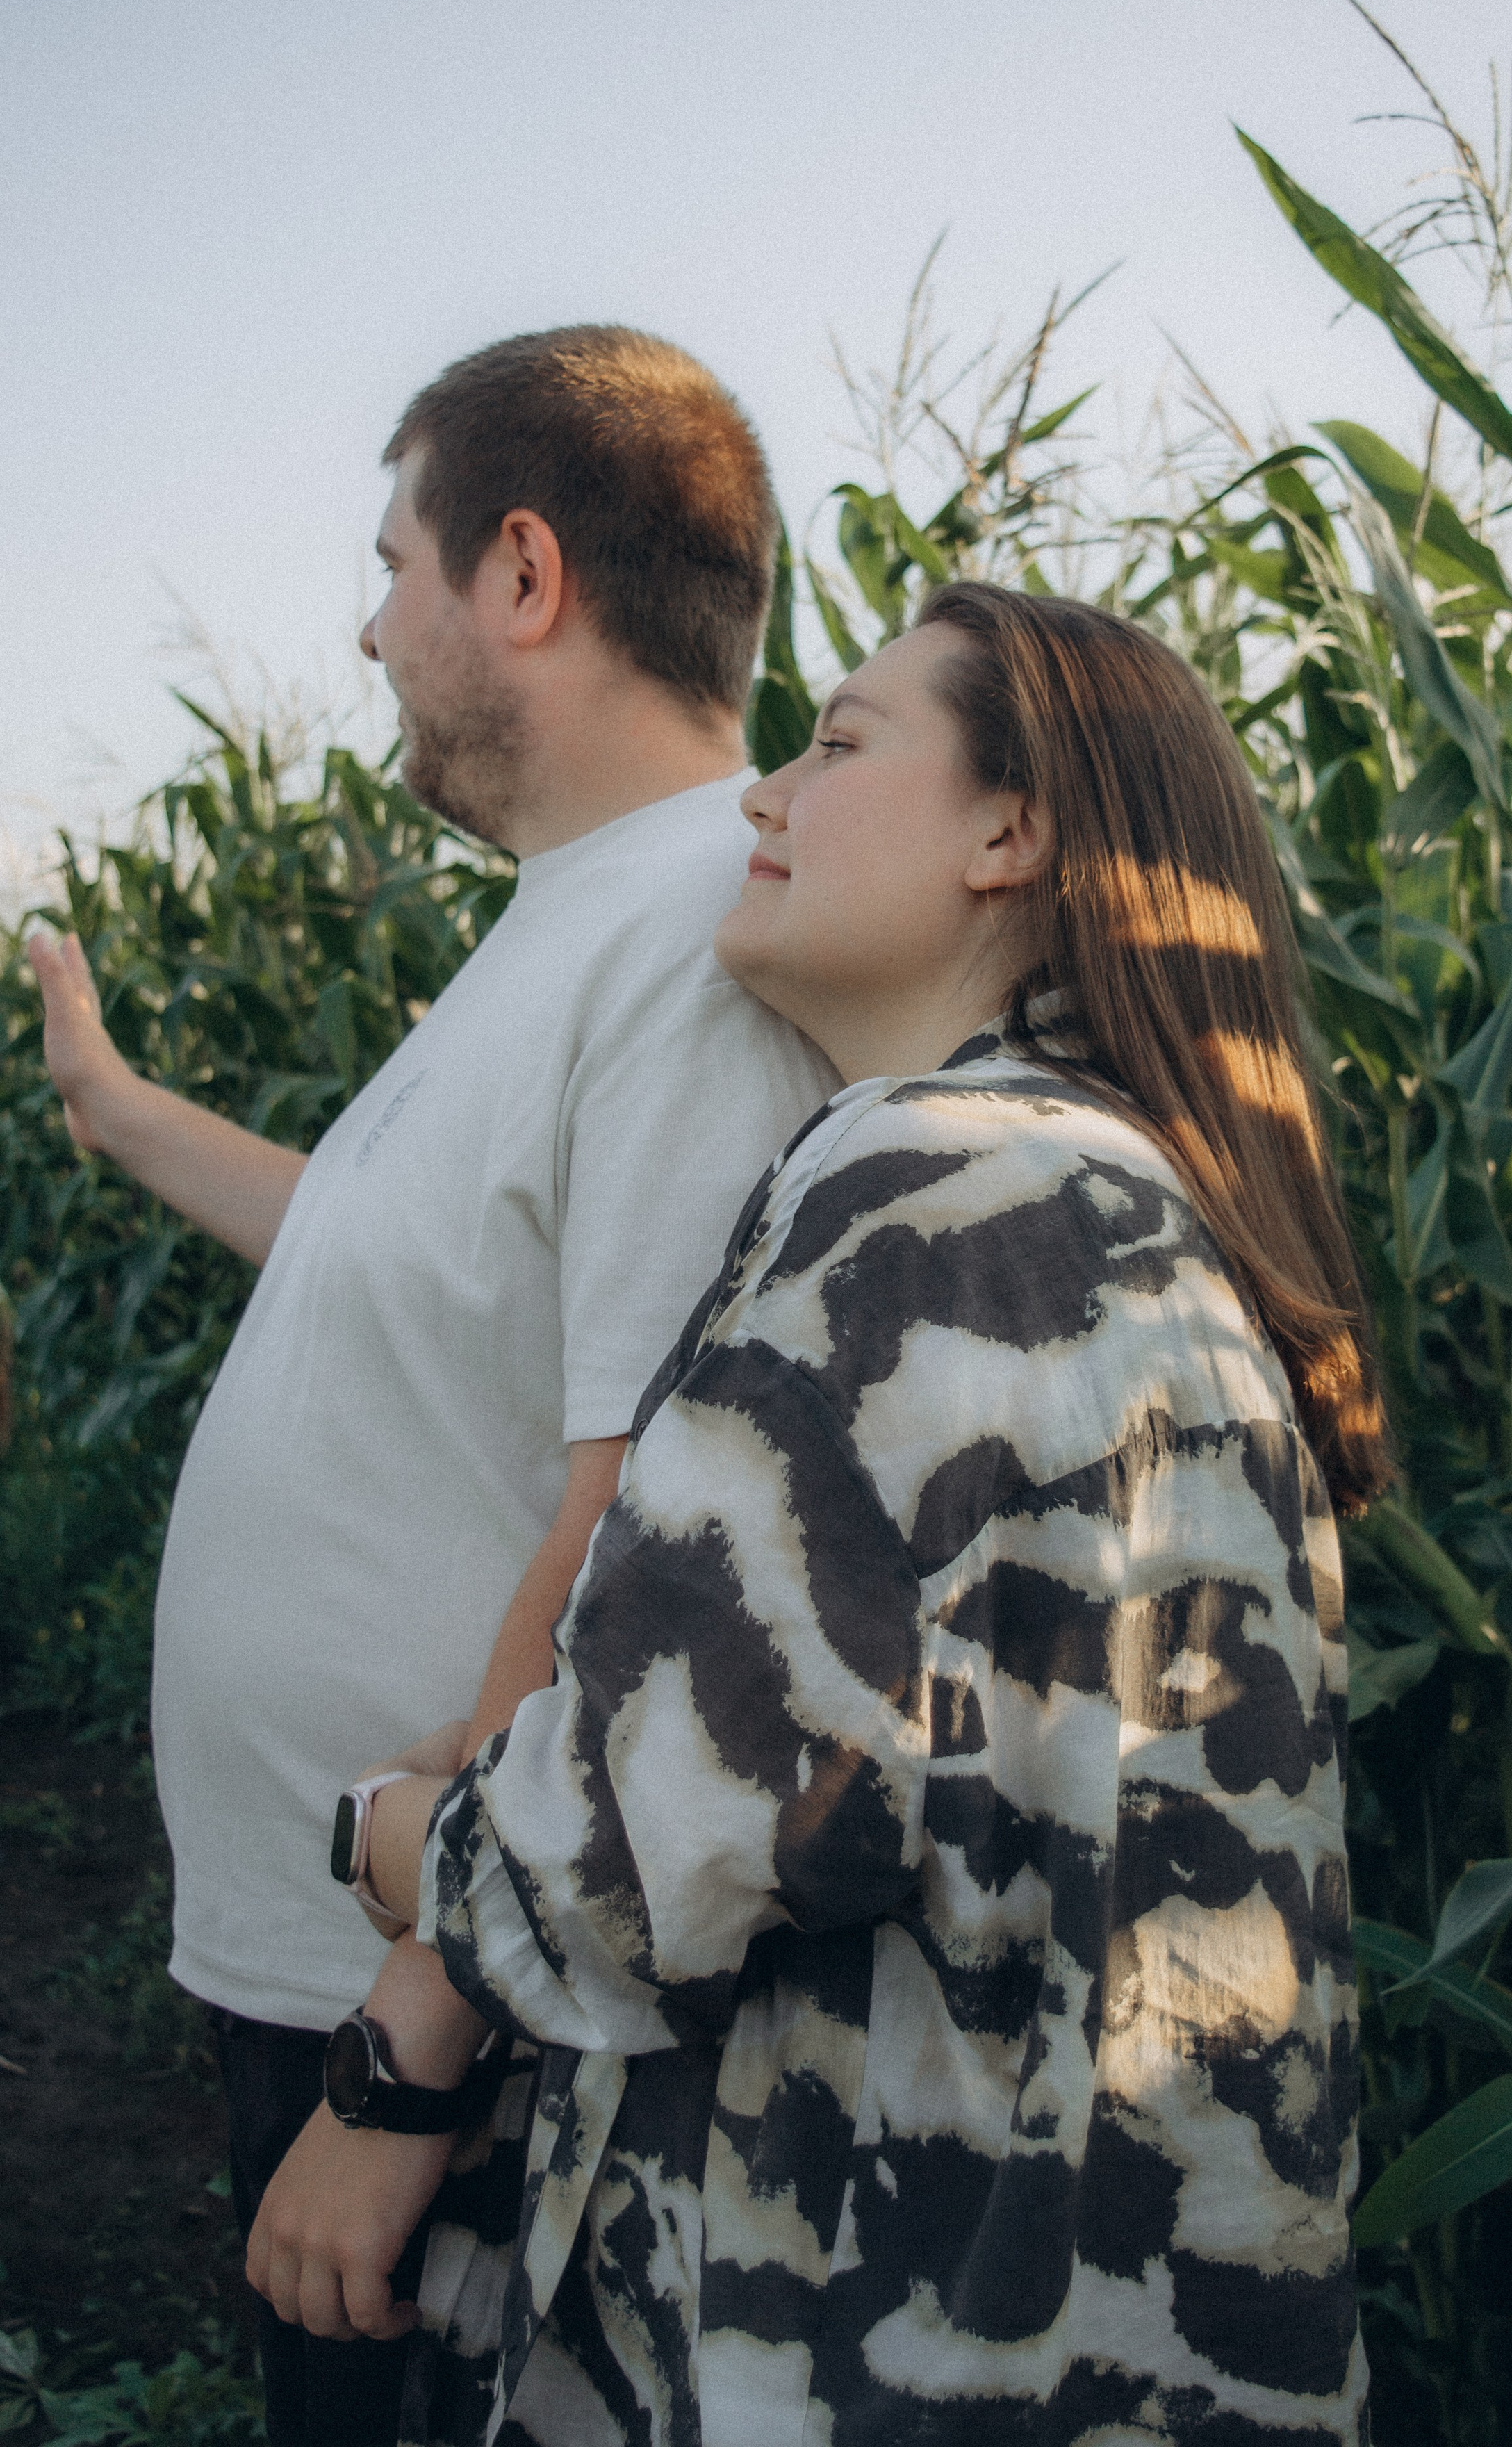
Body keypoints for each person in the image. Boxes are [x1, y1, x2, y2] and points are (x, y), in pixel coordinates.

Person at [351, 582, 1390, 2447]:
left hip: (892, 2355)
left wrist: (405, 1832)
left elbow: (601, 1888)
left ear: (1012, 830)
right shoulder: (1133, 1209)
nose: (765, 795)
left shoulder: (930, 1187)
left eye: (834, 742)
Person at [27, 325, 833, 2447]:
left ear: (525, 576)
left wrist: (410, 2046)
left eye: (392, 560)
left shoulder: (688, 940)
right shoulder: (571, 922)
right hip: (352, 1970)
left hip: (449, 2024)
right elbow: (405, 1264)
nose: (369, 623)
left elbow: (635, 1521)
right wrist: (116, 1110)